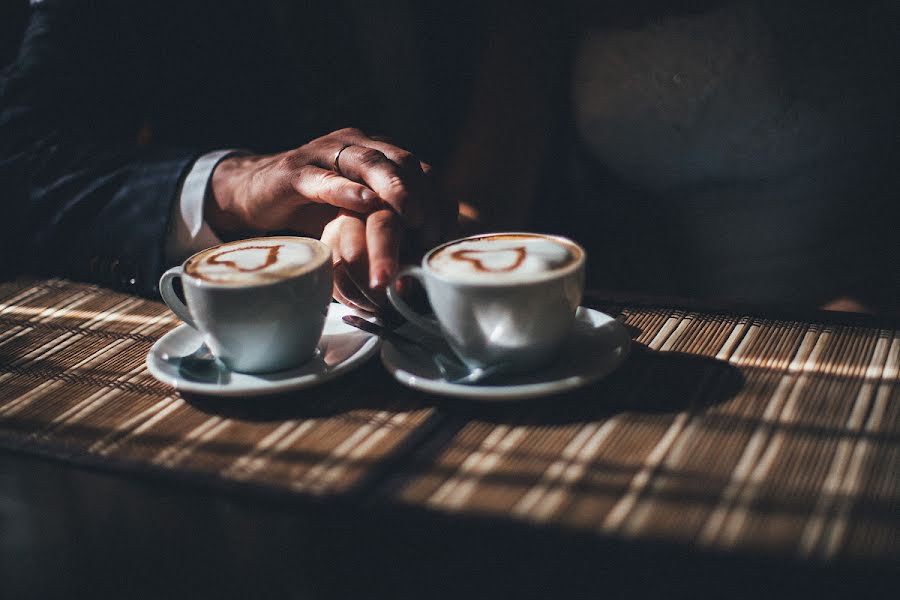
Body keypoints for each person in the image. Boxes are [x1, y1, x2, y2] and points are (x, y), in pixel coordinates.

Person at [0, 0, 459, 313]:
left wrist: (420, 211)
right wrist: (237, 184)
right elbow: (20, 164)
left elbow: (484, 183)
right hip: (262, 280)